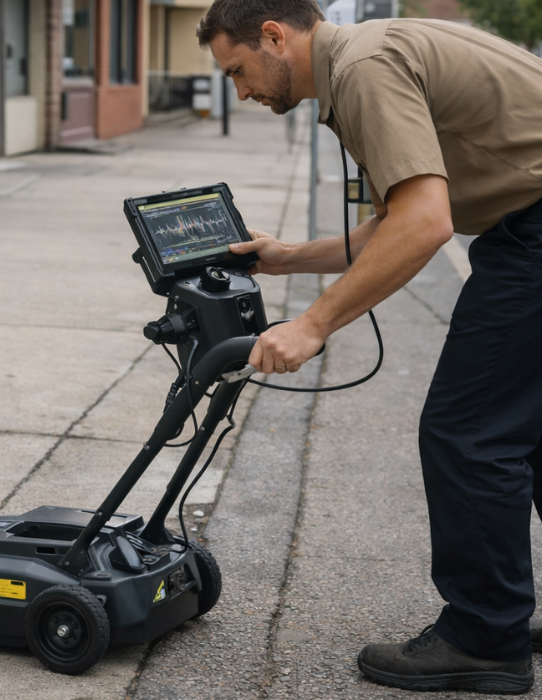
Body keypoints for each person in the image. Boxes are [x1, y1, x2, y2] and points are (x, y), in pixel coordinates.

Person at [197, 0, 542, 693]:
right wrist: (288, 258)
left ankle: (485, 640)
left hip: (533, 234)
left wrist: (312, 325)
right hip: (527, 224)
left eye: (236, 71)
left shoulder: (364, 69)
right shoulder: (370, 53)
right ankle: (497, 621)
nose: (240, 92)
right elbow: (396, 221)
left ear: (274, 36)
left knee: (468, 433)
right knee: (524, 429)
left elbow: (425, 224)